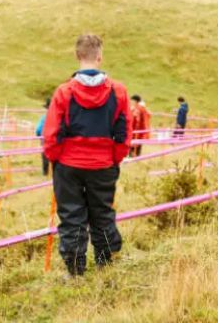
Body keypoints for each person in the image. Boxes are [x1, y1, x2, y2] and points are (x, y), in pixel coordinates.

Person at [42, 34, 132, 277]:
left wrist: (56, 158)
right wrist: (114, 158)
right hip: (103, 164)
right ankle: (104, 266)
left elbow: (51, 133)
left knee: (71, 217)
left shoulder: (63, 92)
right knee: (102, 214)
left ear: (77, 55)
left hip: (68, 166)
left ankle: (75, 271)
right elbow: (124, 134)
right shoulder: (119, 92)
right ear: (99, 57)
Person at [35, 99, 50, 176]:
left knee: (45, 156)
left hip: (45, 139)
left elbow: (38, 129)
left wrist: (38, 135)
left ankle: (45, 172)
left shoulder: (44, 117)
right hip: (56, 139)